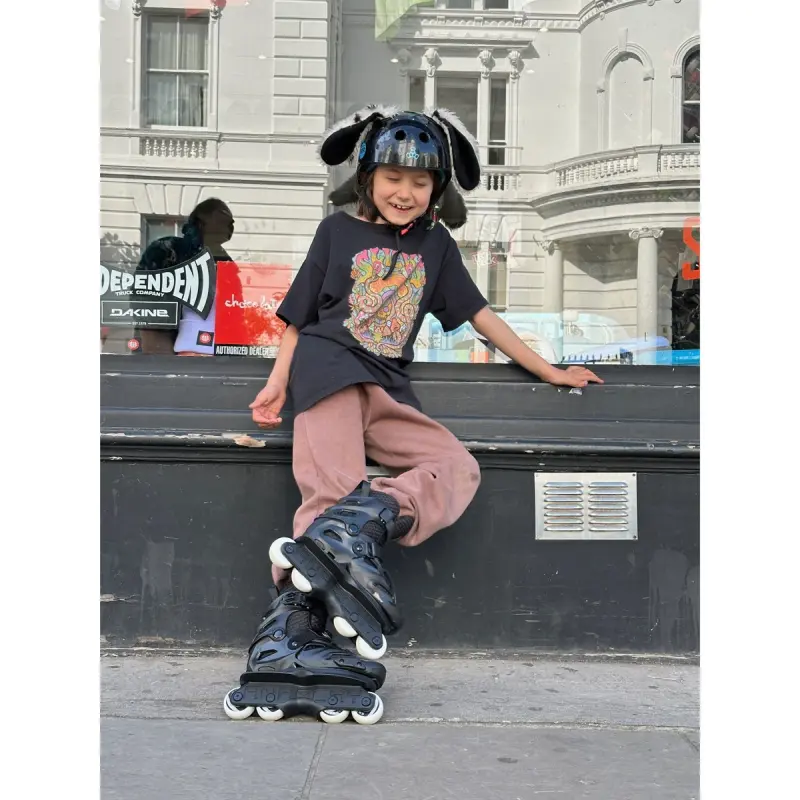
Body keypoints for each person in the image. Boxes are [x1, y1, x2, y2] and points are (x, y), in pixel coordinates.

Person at [225, 107, 602, 723]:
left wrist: (550, 370)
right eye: (393, 178)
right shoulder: (335, 232)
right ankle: (289, 636)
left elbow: (481, 316)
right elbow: (296, 318)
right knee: (327, 497)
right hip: (326, 372)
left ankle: (359, 524)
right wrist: (276, 383)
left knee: (454, 467)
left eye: (420, 182)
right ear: (368, 178)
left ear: (437, 189)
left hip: (388, 387)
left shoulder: (437, 246)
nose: (405, 192)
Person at [135, 198, 235, 355]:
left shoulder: (227, 264)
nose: (231, 224)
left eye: (232, 221)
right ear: (202, 223)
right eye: (222, 215)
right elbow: (144, 303)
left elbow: (233, 312)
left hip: (214, 354)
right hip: (178, 354)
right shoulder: (168, 250)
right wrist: (163, 358)